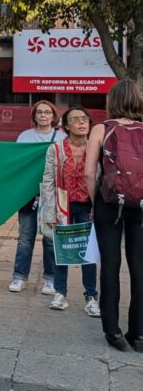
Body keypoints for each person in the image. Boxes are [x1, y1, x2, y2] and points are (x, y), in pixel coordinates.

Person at [84, 79, 143, 352]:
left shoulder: (101, 129)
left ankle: (113, 332)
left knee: (110, 264)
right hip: (141, 204)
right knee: (139, 266)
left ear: (112, 101)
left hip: (110, 203)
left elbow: (88, 172)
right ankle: (139, 333)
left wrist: (95, 200)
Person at [39, 107, 99, 316]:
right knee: (61, 250)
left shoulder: (98, 148)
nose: (82, 123)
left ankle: (91, 297)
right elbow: (47, 181)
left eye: (85, 119)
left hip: (88, 207)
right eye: (75, 119)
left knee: (88, 252)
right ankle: (60, 293)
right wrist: (50, 212)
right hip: (64, 206)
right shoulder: (55, 150)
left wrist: (99, 207)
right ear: (66, 126)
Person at [8, 100, 66, 296]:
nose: (43, 115)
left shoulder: (62, 137)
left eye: (47, 112)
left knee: (50, 238)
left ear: (53, 116)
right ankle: (19, 276)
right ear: (34, 116)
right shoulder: (25, 136)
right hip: (28, 194)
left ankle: (50, 279)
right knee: (25, 237)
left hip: (51, 194)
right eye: (39, 112)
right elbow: (16, 161)